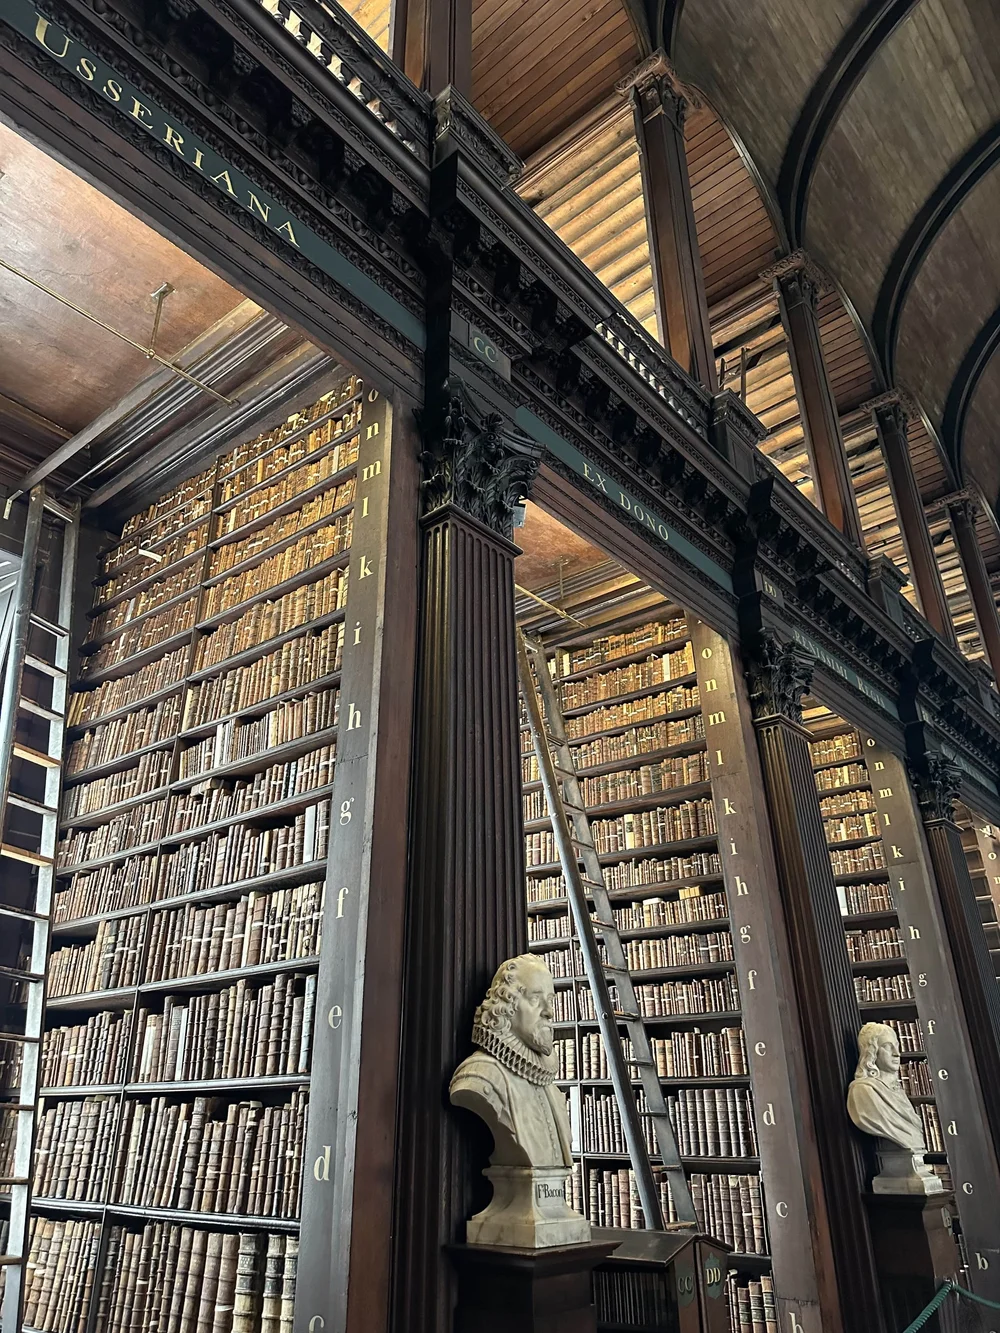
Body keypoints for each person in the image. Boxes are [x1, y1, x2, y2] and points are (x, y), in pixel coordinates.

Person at [847, 1021, 941, 1192]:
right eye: (888, 1047)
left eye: (897, 1046)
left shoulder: (898, 1092)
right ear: (872, 1052)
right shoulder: (864, 1091)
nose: (897, 1054)